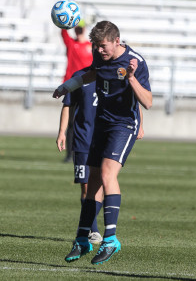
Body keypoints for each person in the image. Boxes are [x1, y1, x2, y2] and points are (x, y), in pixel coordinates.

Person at [53, 21, 152, 265]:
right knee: (93, 179)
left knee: (108, 174)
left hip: (123, 126)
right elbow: (92, 74)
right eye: (96, 46)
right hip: (101, 125)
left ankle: (110, 240)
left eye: (103, 46)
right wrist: (67, 86)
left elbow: (148, 102)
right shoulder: (100, 57)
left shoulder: (135, 61)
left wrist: (131, 78)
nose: (99, 50)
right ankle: (82, 239)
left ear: (117, 41)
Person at [56, 66, 103, 244]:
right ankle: (93, 229)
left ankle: (87, 223)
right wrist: (62, 132)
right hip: (82, 140)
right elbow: (68, 105)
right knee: (85, 186)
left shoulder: (114, 75)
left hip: (105, 140)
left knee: (101, 184)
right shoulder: (79, 77)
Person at [61, 20, 93, 162]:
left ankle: (87, 151)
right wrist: (64, 22)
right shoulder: (71, 44)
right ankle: (70, 154)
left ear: (85, 29)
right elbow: (63, 33)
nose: (79, 30)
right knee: (71, 123)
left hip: (86, 88)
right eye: (77, 28)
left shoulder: (90, 47)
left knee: (86, 120)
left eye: (81, 28)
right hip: (72, 86)